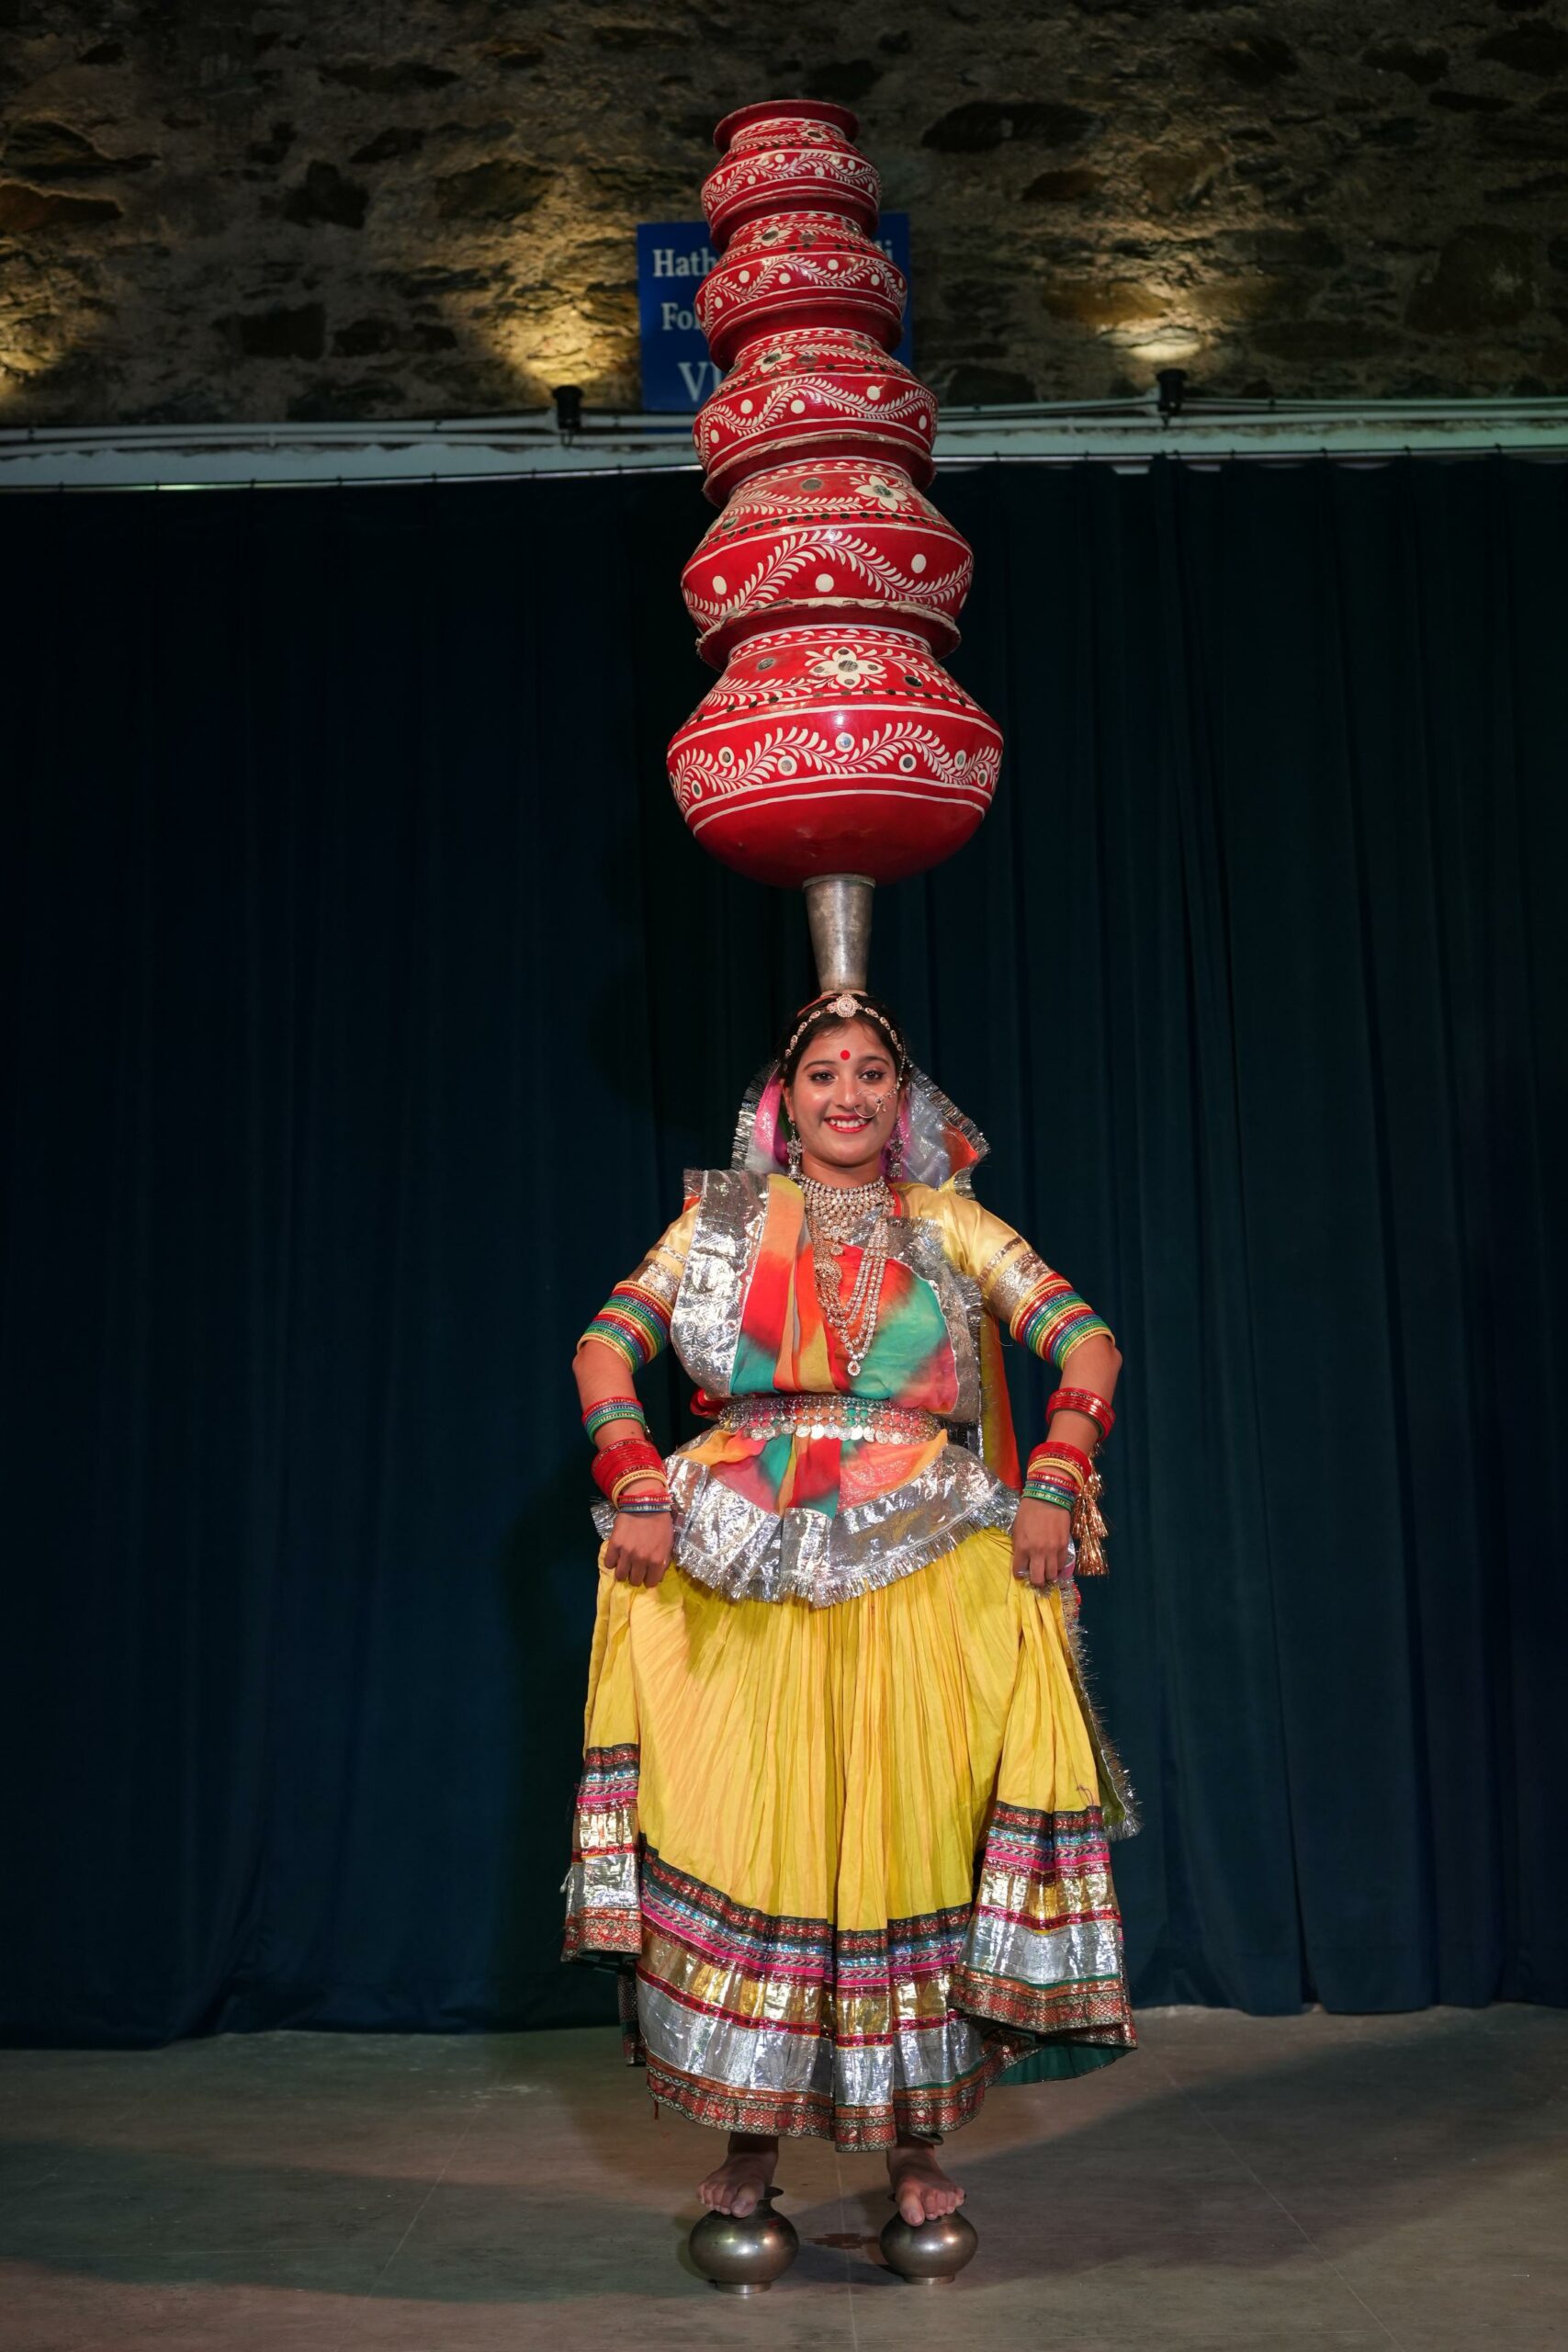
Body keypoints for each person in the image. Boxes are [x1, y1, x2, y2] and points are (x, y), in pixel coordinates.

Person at [562, 987, 1136, 2227]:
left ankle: (914, 2143)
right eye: (824, 1072)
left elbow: (1087, 1342)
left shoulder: (952, 1224)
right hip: (737, 1556)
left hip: (924, 1556)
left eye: (872, 1072)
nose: (847, 1095)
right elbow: (605, 1348)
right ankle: (751, 2139)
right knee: (745, 1828)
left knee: (907, 1831)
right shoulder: (714, 1226)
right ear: (783, 1101)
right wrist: (634, 1476)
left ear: (901, 1098)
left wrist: (1056, 1473)